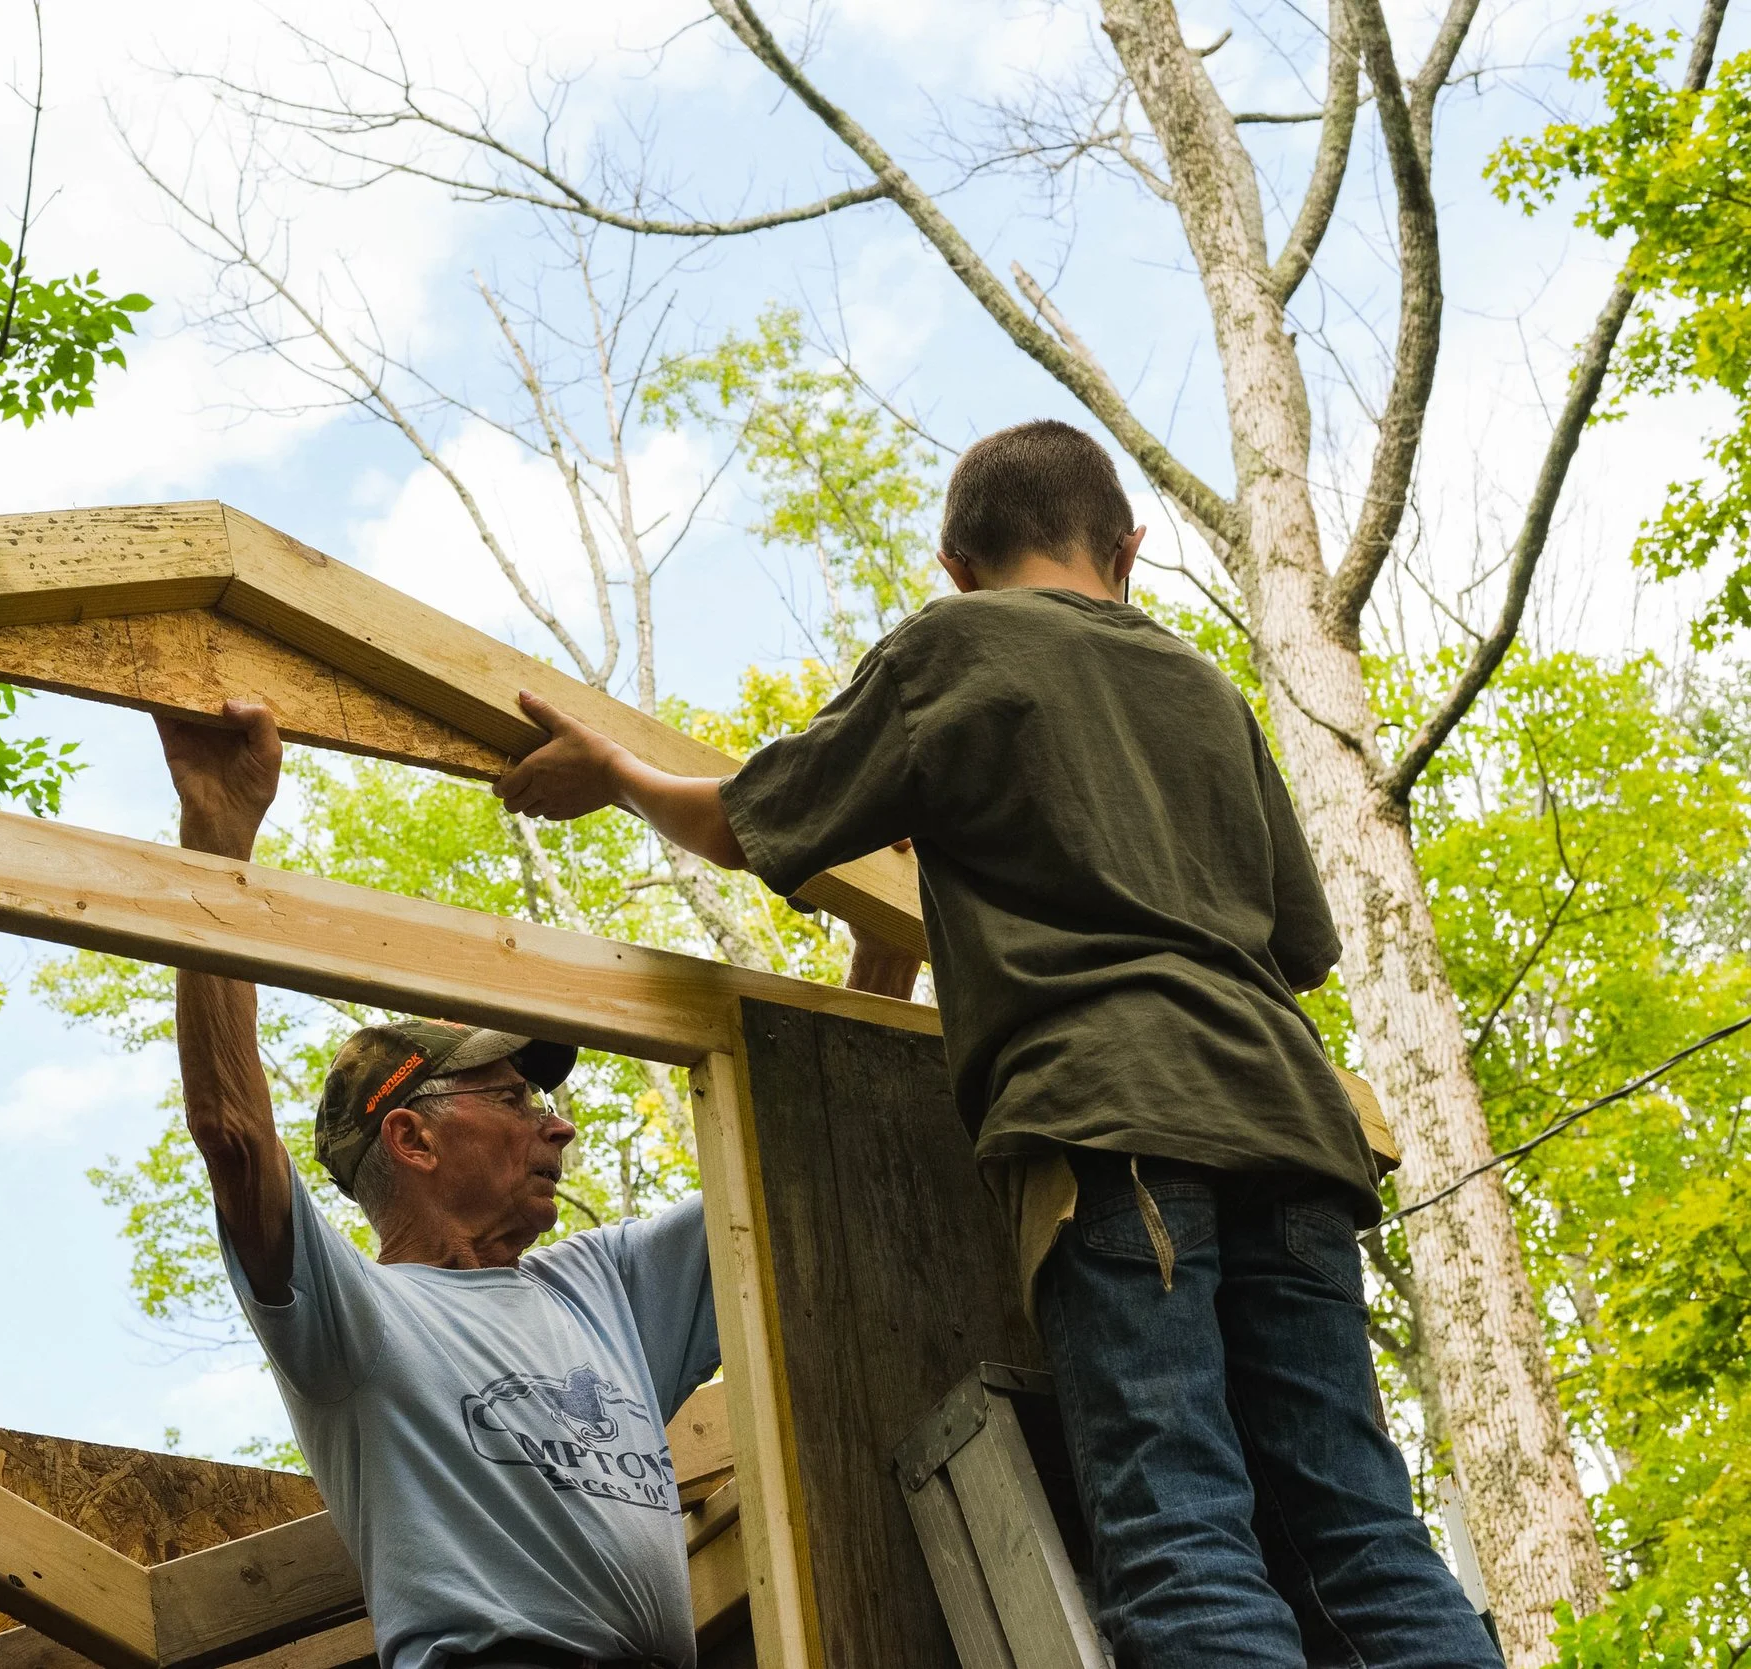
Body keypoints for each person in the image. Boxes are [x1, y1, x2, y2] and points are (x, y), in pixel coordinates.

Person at [493, 419, 1502, 1669]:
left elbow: (756, 822)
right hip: (1293, 1124)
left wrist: (620, 773)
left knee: (1178, 1525)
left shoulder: (950, 646)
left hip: (1112, 1116)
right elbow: (1299, 946)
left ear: (954, 564)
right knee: (1358, 1530)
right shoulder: (1204, 686)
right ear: (1127, 547)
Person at [158, 695, 726, 1669]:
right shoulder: (357, 1319)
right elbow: (235, 1134)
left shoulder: (608, 1287)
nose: (559, 1122)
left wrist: (876, 947)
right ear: (412, 1138)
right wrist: (219, 831)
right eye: (512, 1098)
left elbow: (784, 1200)